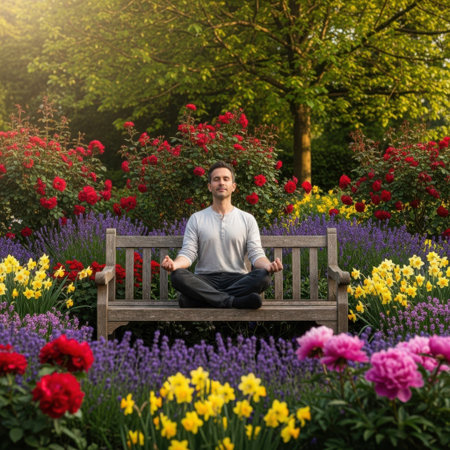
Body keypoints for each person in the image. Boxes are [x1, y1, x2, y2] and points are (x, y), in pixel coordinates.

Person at [161, 161, 283, 309]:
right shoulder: (197, 218)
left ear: (233, 187)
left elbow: (256, 253)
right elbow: (188, 252)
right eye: (216, 179)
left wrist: (268, 265)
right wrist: (175, 264)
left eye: (226, 179)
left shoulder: (247, 219)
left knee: (262, 277)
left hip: (237, 279)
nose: (221, 183)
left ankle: (203, 300)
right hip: (205, 279)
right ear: (209, 186)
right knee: (177, 276)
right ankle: (234, 302)